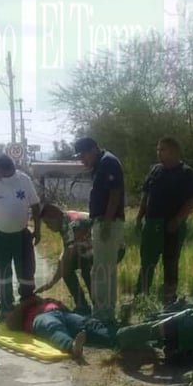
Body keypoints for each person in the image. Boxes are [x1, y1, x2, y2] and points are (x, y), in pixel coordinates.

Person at [134, 136, 193, 304]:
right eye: (158, 149)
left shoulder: (186, 172)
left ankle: (169, 301)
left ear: (174, 151)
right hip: (151, 225)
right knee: (147, 263)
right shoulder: (155, 170)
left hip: (172, 226)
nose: (159, 153)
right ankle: (140, 300)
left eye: (163, 149)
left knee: (170, 264)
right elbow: (146, 195)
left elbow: (192, 200)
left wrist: (177, 220)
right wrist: (139, 217)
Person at [0, 155, 41, 320]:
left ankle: (27, 304)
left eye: (9, 173)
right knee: (3, 275)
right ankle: (6, 308)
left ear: (13, 169)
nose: (6, 176)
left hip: (21, 235)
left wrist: (38, 230)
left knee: (26, 273)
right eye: (2, 174)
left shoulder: (23, 180)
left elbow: (35, 204)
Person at [74, 137, 125, 324]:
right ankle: (105, 312)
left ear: (93, 149)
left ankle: (103, 315)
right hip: (103, 221)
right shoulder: (100, 164)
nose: (82, 160)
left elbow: (115, 193)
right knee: (103, 269)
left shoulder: (108, 162)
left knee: (102, 270)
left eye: (83, 155)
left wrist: (106, 223)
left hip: (108, 222)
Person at [5, 293, 114, 358]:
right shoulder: (21, 308)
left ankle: (118, 335)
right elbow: (11, 324)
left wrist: (58, 303)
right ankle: (72, 347)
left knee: (87, 324)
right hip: (41, 317)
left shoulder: (44, 301)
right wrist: (27, 303)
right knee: (54, 327)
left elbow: (67, 310)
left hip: (63, 313)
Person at [36, 204, 93, 313]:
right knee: (66, 269)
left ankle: (98, 307)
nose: (48, 227)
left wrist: (51, 283)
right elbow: (67, 252)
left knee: (85, 269)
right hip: (89, 249)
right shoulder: (65, 219)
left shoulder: (72, 224)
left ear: (55, 215)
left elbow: (68, 255)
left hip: (109, 247)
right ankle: (82, 306)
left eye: (48, 223)